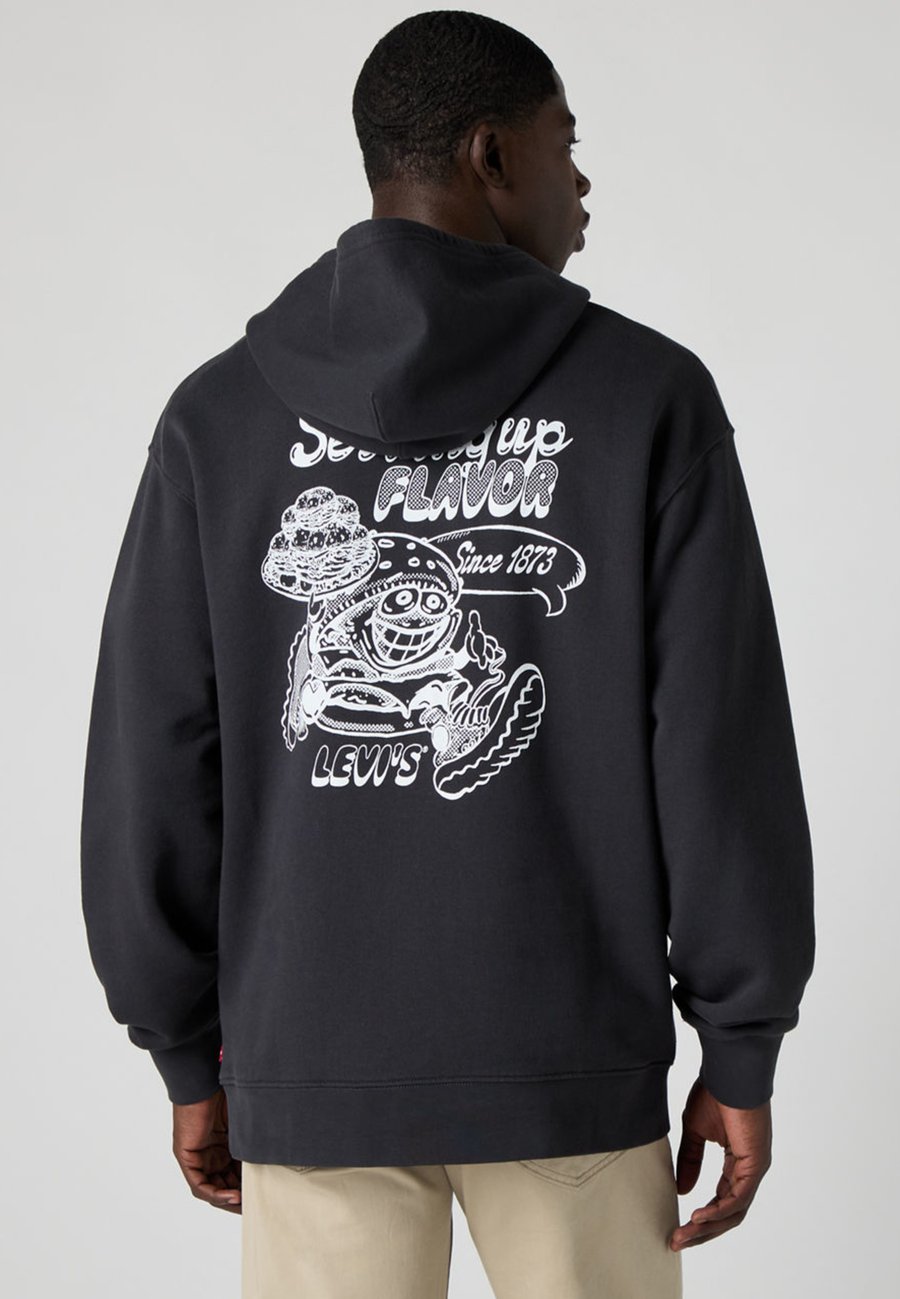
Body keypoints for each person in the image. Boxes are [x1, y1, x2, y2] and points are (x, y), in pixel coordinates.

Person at [79, 10, 816, 1297]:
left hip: (315, 1064)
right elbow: (715, 751)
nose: (583, 181)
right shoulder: (647, 396)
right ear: (491, 157)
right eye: (564, 144)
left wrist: (186, 1050)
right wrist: (740, 1045)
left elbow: (151, 758)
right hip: (569, 1062)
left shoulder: (219, 416)